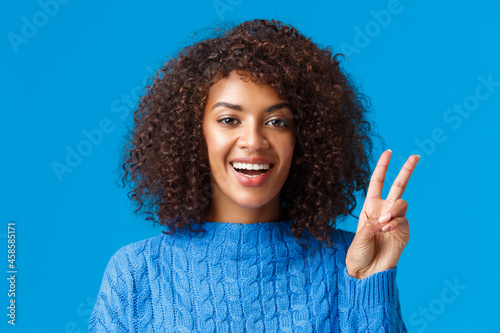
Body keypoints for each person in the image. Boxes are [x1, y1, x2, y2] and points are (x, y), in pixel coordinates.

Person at [89, 18, 419, 332]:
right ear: (194, 133)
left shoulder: (348, 261)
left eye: (277, 122)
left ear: (303, 139)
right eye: (229, 120)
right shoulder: (137, 273)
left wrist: (370, 282)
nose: (253, 142)